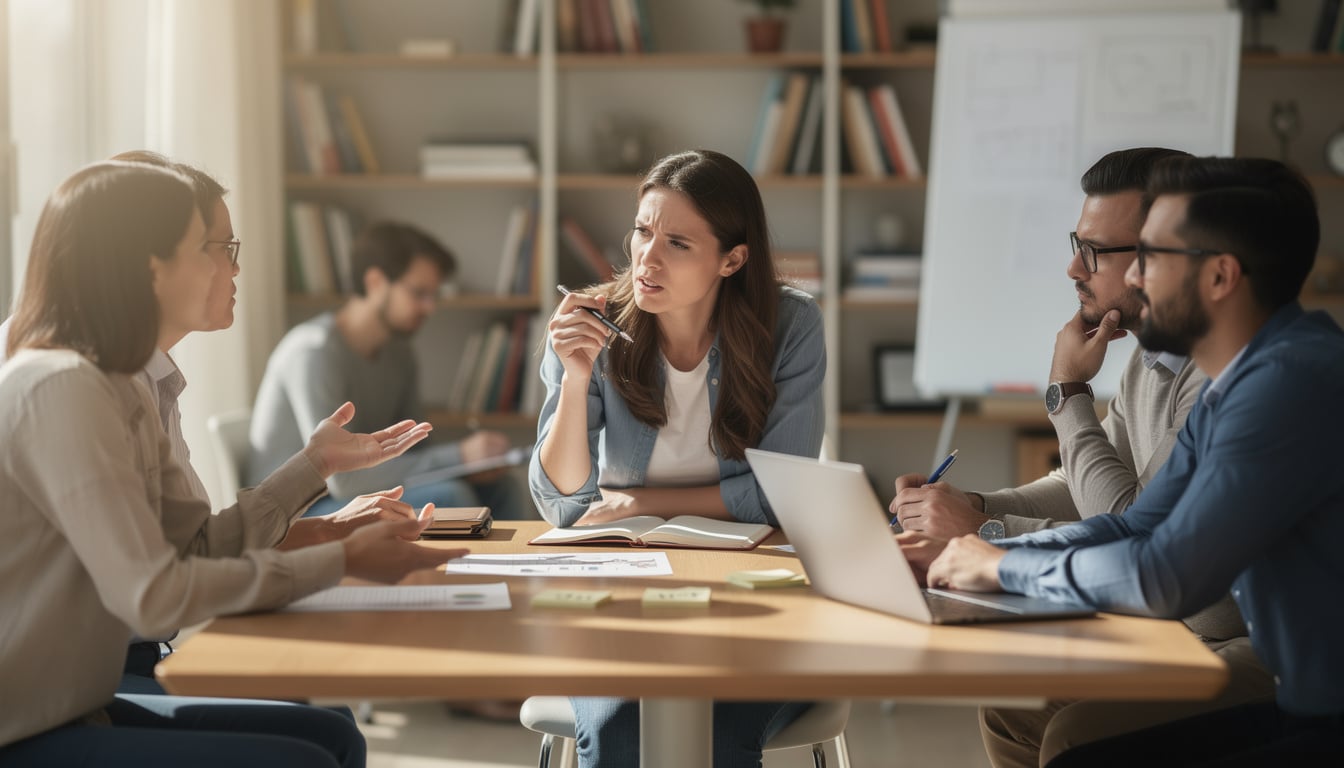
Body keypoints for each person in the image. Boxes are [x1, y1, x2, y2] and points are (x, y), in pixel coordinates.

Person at [0, 160, 461, 766]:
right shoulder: (61, 387)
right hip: (24, 724)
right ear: (150, 267)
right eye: (208, 248)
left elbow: (194, 548)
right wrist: (340, 558)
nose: (228, 267)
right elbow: (154, 597)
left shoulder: (120, 385)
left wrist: (313, 468)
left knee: (333, 735)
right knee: (306, 757)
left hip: (75, 702)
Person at [917, 156, 1344, 765]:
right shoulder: (1238, 381)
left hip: (1318, 715)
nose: (1137, 281)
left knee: (1081, 750)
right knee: (1032, 714)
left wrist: (1000, 568)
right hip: (1298, 699)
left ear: (1221, 276)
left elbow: (1164, 576)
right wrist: (975, 555)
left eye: (1152, 258)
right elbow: (1137, 525)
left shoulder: (1287, 385)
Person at [530, 149, 825, 767]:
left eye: (678, 243)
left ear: (732, 258)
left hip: (753, 596)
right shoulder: (592, 324)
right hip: (622, 598)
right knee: (620, 735)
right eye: (642, 231)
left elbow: (782, 495)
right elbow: (562, 505)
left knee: (716, 736)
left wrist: (643, 502)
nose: (647, 257)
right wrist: (577, 377)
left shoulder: (790, 325)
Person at [247, 221, 529, 520]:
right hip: (299, 510)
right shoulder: (313, 353)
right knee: (451, 497)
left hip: (356, 490)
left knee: (503, 489)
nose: (429, 307)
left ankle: (504, 567)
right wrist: (458, 456)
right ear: (375, 283)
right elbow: (340, 479)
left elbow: (415, 450)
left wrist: (470, 466)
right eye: (419, 293)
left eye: (433, 295)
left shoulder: (400, 354)